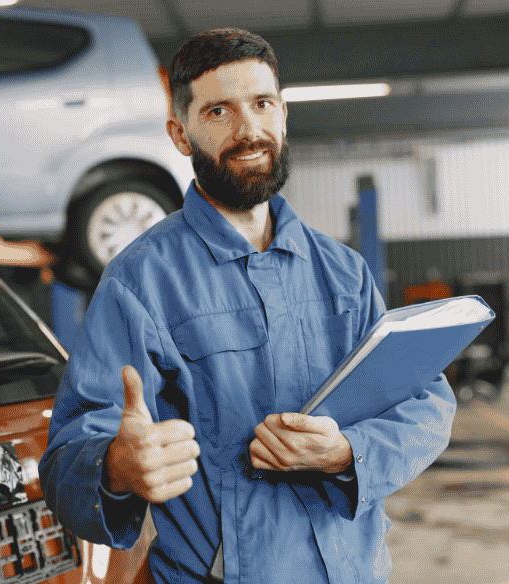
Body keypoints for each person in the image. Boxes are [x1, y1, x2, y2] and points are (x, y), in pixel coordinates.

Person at [39, 28, 457, 584]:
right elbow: (68, 455)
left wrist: (347, 452)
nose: (249, 130)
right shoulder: (140, 282)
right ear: (181, 135)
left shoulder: (344, 272)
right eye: (218, 112)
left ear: (283, 113)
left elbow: (426, 401)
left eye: (262, 104)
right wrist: (116, 466)